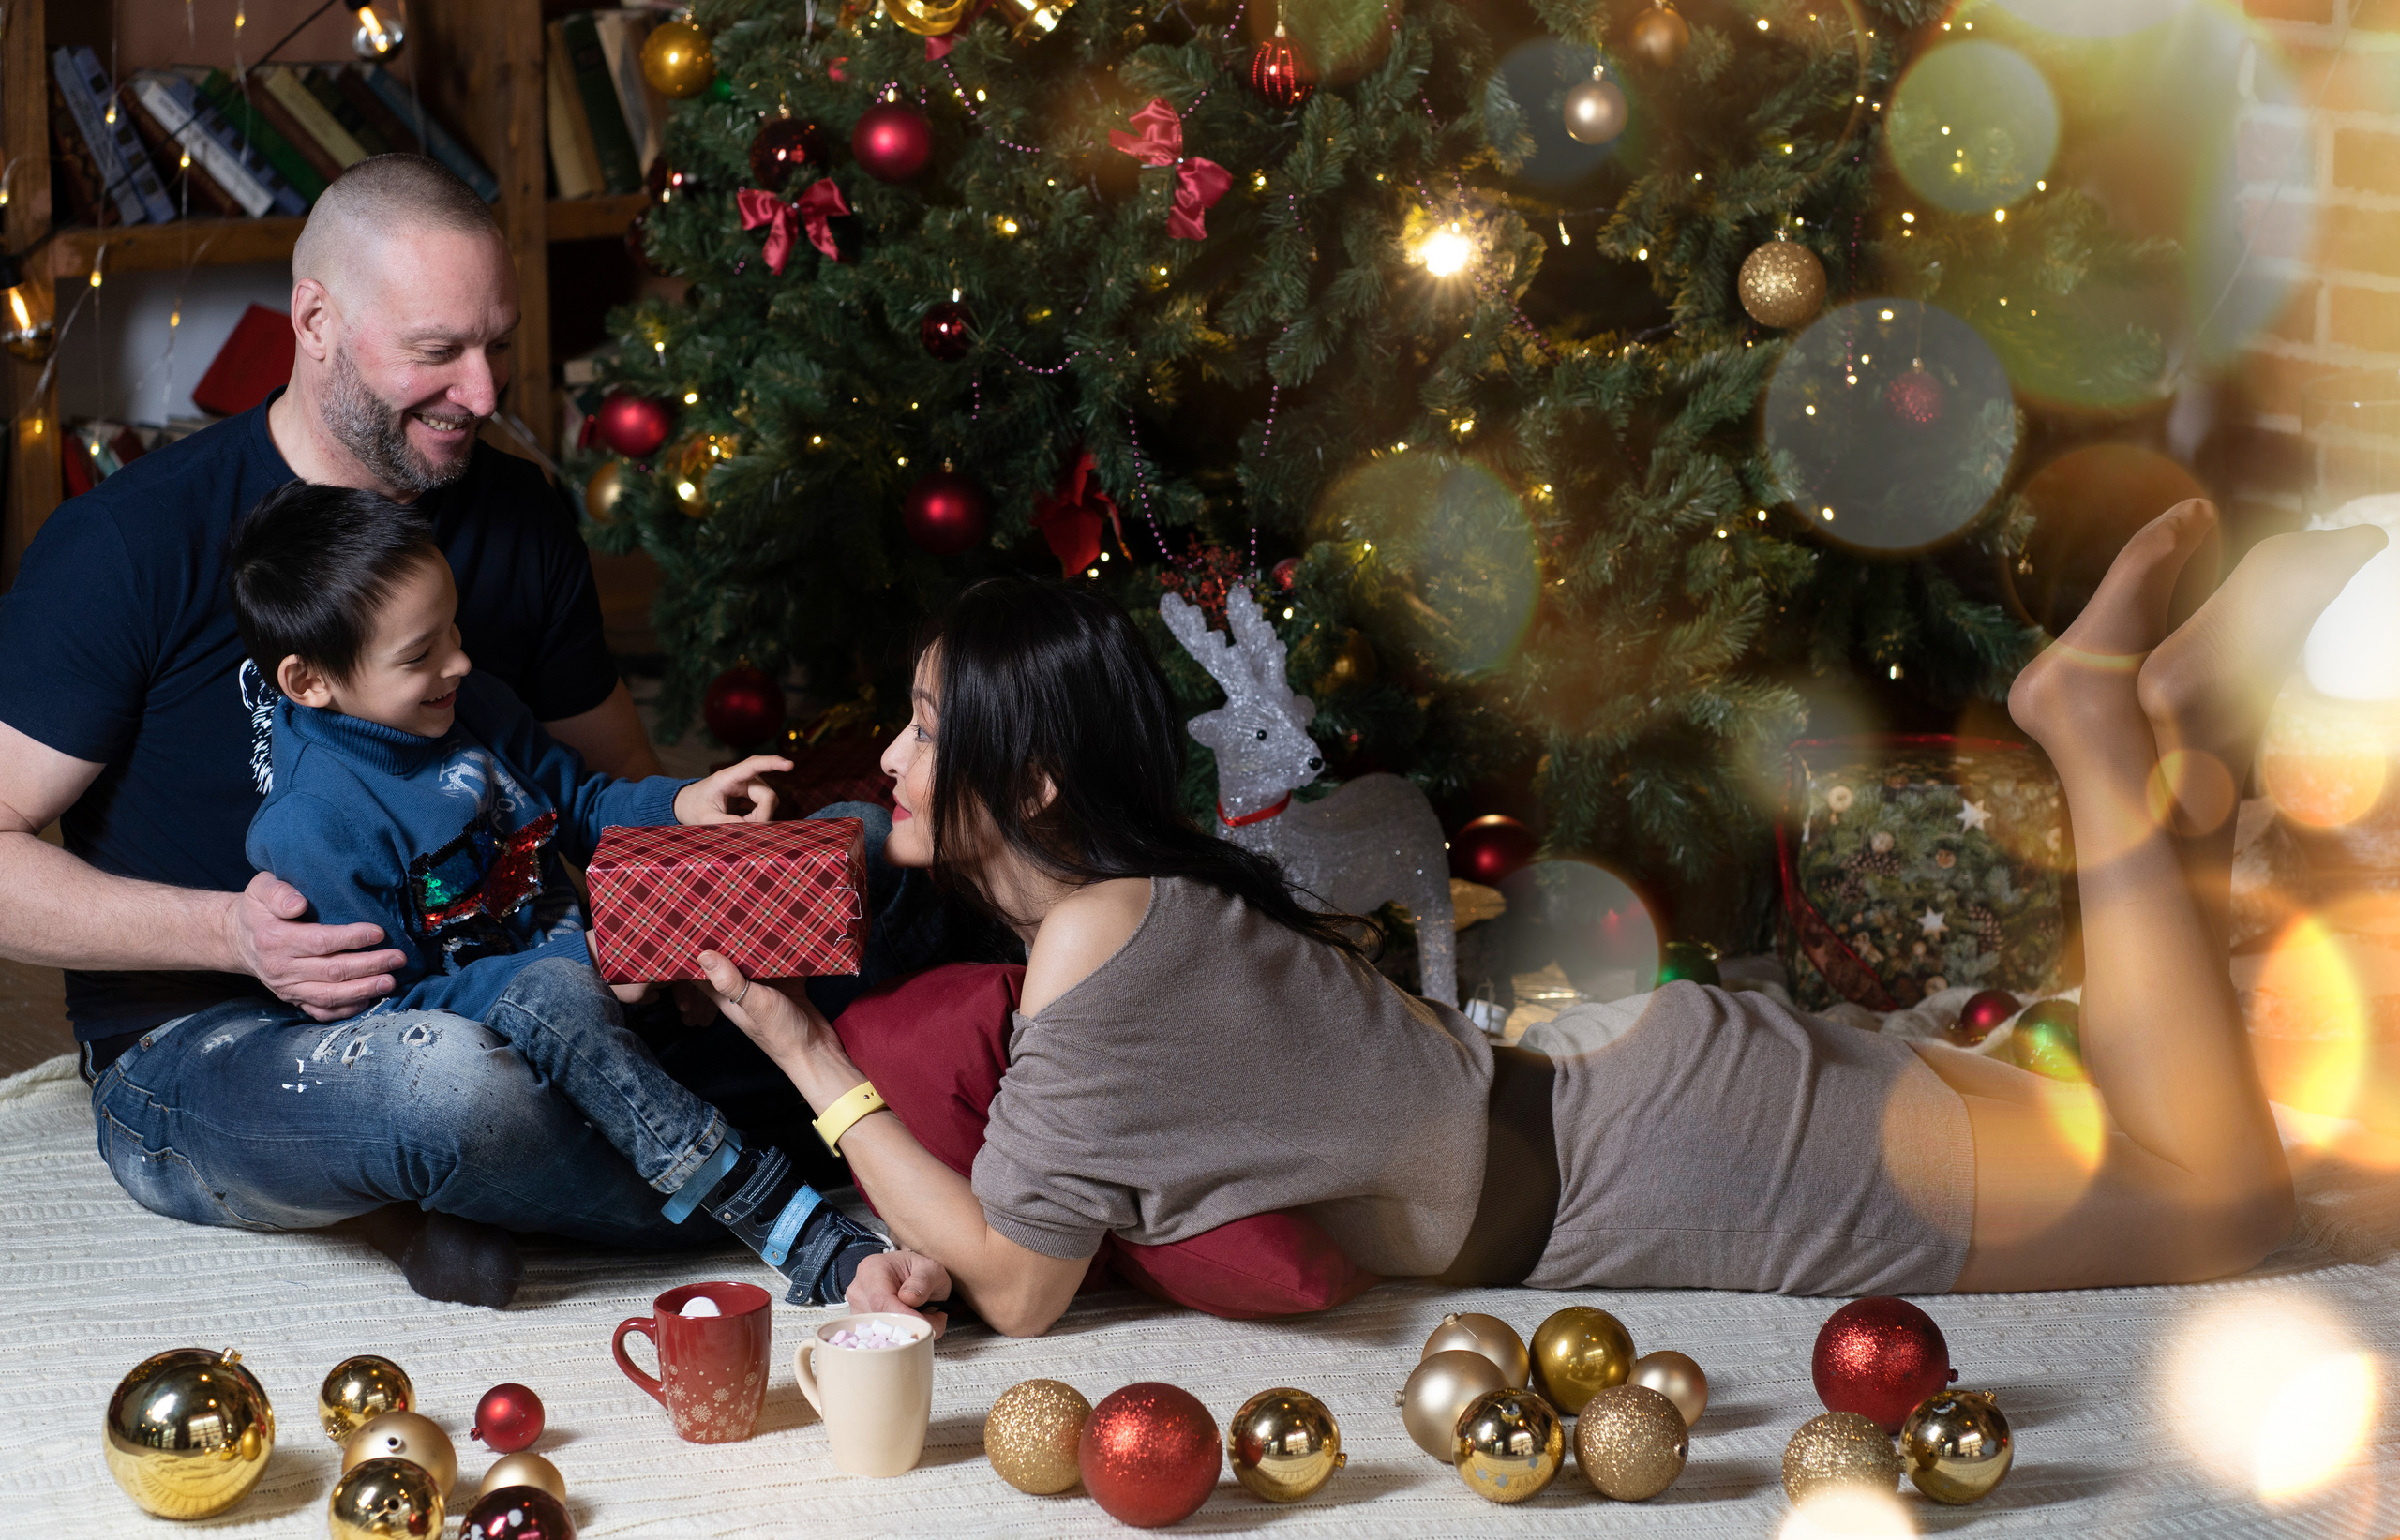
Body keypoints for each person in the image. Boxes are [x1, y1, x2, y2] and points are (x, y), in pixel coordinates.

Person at [683, 504, 2386, 1337]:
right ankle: (2137, 733)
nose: (891, 758)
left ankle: (2097, 725)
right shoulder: (1129, 923)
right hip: (1637, 1092)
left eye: (921, 724)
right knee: (2177, 1156)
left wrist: (807, 1050)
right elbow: (1046, 1216)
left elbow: (1018, 1283)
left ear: (1032, 781)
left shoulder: (1089, 960)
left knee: (2222, 1212)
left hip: (1692, 1157)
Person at [0, 155, 922, 1306]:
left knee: (851, 893)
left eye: (495, 343)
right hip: (218, 1044)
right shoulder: (133, 543)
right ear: (318, 321)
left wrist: (671, 927)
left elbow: (606, 779)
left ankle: (564, 1178)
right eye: (438, 351)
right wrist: (237, 935)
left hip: (527, 964)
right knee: (454, 1091)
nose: (484, 394)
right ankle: (817, 1202)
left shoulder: (517, 516)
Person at [224, 481, 885, 1303]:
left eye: (455, 630)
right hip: (529, 1047)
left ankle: (902, 1091)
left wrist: (683, 805)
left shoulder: (469, 704)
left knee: (859, 831)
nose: (459, 661)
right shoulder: (312, 823)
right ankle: (781, 1217)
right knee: (555, 992)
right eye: (421, 654)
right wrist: (587, 963)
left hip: (619, 989)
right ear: (309, 679)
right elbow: (389, 1013)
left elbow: (580, 806)